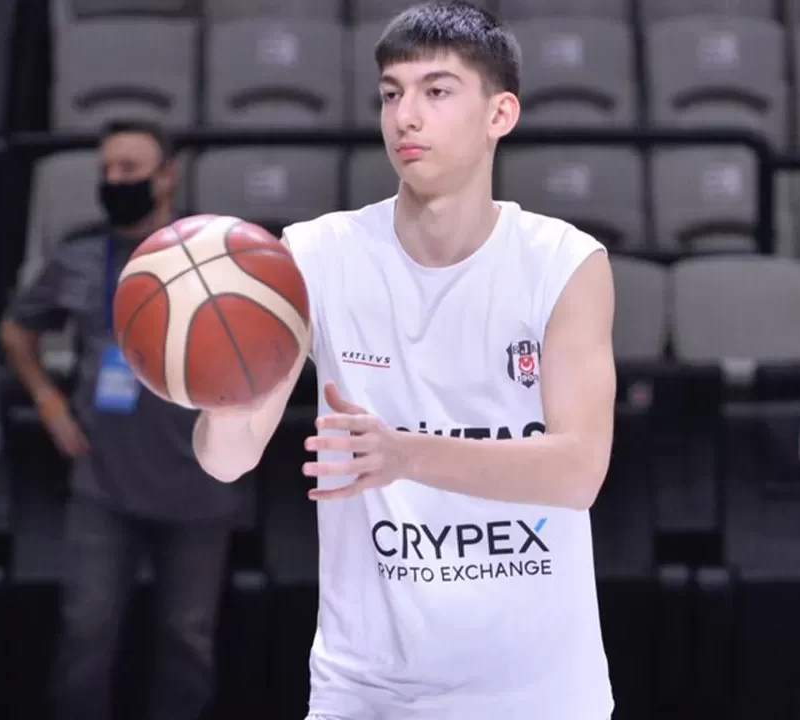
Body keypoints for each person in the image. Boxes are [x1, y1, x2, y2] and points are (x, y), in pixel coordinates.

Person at [193, 2, 617, 718]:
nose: (405, 117)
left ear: (500, 113)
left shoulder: (564, 262)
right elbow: (225, 460)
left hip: (537, 692)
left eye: (436, 91)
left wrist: (405, 455)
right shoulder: (315, 255)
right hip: (368, 690)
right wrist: (218, 381)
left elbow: (578, 472)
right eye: (391, 94)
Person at [0, 118, 245, 720]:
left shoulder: (214, 254)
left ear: (167, 177)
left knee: (188, 639)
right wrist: (49, 403)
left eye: (129, 169)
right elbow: (15, 330)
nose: (114, 180)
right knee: (86, 631)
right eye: (106, 170)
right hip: (102, 483)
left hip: (199, 483)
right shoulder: (79, 255)